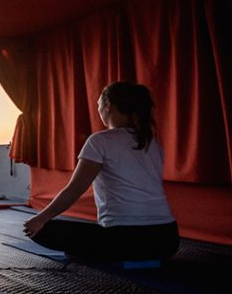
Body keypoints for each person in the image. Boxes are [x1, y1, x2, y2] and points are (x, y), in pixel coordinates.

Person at [22, 82, 179, 260]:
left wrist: (40, 219)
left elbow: (75, 189)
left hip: (125, 239)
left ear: (108, 107)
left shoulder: (100, 141)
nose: (98, 110)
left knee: (42, 230)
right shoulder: (151, 143)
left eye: (98, 105)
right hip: (167, 240)